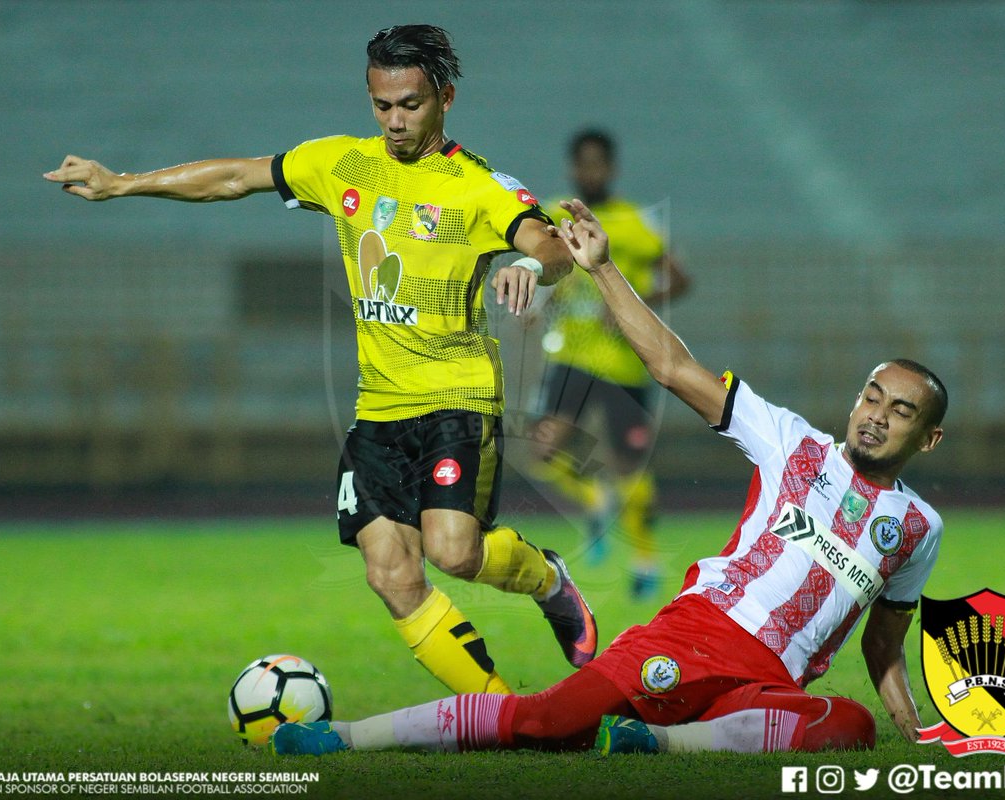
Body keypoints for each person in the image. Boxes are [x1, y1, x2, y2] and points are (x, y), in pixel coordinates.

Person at [272, 198, 947, 757]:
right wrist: (602, 271)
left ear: (928, 437)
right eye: (871, 396)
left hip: (772, 681)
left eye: (900, 411)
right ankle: (346, 738)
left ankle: (656, 741)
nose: (876, 416)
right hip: (700, 634)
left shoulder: (918, 528)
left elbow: (883, 640)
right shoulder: (793, 443)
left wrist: (908, 718)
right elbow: (675, 368)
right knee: (545, 725)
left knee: (849, 727)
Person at [43, 25, 597, 696]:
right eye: (382, 104)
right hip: (379, 410)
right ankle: (500, 712)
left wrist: (532, 269)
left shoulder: (478, 184)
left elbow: (551, 243)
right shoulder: (342, 165)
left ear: (445, 98)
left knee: (455, 552)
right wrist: (120, 184)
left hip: (457, 396)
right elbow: (235, 178)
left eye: (411, 105)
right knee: (389, 572)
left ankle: (549, 580)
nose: (395, 120)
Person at [530, 130, 689, 597]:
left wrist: (633, 306)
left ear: (612, 169)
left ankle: (645, 559)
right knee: (543, 450)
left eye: (598, 165)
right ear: (572, 168)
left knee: (631, 469)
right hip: (570, 356)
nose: (590, 173)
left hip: (625, 364)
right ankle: (594, 501)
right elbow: (545, 267)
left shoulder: (635, 225)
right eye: (583, 164)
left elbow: (679, 279)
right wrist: (537, 303)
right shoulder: (554, 213)